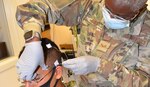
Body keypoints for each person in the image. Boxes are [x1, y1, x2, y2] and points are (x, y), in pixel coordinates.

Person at [16, 0, 150, 86]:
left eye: (117, 16)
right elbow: (34, 8)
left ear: (136, 11)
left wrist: (100, 66)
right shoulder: (90, 7)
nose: (108, 17)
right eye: (107, 9)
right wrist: (32, 41)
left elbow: (145, 83)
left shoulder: (147, 32)